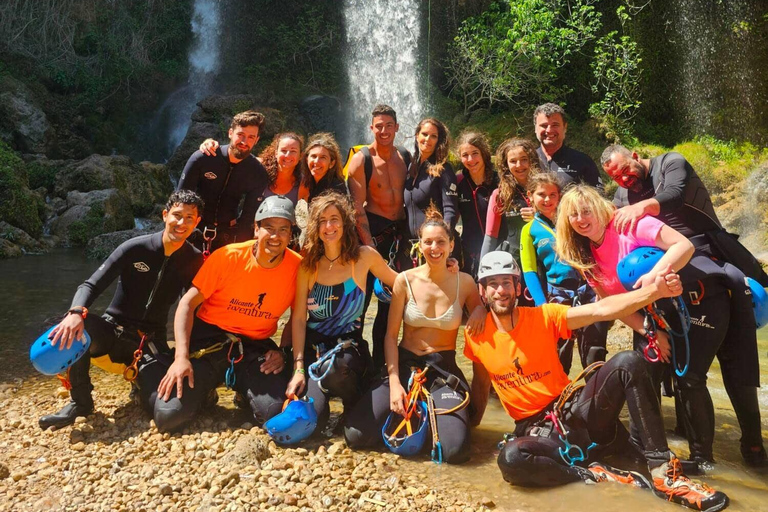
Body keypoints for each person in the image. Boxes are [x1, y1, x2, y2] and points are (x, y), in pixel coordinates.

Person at [466, 251, 729, 512]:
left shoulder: (543, 317)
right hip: (538, 432)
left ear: (517, 287)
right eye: (493, 284)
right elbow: (480, 384)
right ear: (483, 291)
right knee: (511, 459)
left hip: (574, 410)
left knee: (628, 362)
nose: (501, 290)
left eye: (506, 283)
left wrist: (655, 292)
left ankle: (663, 472)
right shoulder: (476, 336)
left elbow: (601, 309)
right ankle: (594, 475)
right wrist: (472, 429)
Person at [556, 184, 762, 467]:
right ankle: (649, 454)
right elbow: (612, 304)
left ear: (599, 207)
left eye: (586, 210)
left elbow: (683, 245)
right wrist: (650, 332)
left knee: (689, 379)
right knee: (642, 376)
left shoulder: (629, 223)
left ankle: (703, 460)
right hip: (653, 311)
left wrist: (654, 275)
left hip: (699, 298)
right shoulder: (584, 255)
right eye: (573, 215)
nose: (581, 219)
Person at [601, 144, 767, 466]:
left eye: (625, 169)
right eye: (616, 177)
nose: (623, 178)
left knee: (734, 364)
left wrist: (642, 207)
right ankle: (672, 439)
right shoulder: (622, 197)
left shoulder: (671, 163)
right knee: (672, 367)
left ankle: (753, 445)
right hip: (662, 271)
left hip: (708, 256)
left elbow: (675, 194)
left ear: (635, 155)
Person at [39, 191, 205, 429]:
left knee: (166, 411)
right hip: (111, 334)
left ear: (197, 222)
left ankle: (141, 387)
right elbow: (91, 284)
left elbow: (193, 310)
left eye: (190, 218)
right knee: (65, 328)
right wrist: (76, 313)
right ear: (165, 215)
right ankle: (80, 403)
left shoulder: (194, 260)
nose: (182, 223)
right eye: (177, 215)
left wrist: (188, 355)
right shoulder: (135, 248)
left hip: (149, 345)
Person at [344, 209, 486, 464]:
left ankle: (428, 417)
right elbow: (390, 337)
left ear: (451, 244)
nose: (434, 247)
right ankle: (410, 413)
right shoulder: (404, 281)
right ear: (419, 245)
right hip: (406, 363)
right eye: (428, 242)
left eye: (441, 241)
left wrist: (479, 311)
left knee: (455, 452)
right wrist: (395, 382)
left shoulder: (464, 283)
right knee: (355, 436)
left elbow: (480, 307)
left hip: (443, 371)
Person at [154, 195, 301, 433]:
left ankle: (245, 394)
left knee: (274, 415)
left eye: (283, 229)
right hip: (209, 342)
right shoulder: (227, 257)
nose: (275, 236)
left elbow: (297, 318)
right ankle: (206, 393)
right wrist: (181, 357)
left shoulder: (298, 268)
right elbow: (187, 305)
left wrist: (283, 352)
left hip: (254, 347)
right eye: (269, 228)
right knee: (168, 417)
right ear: (256, 228)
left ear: (290, 234)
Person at [287, 192, 397, 431]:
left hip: (349, 353)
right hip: (315, 353)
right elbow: (297, 320)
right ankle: (324, 402)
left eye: (335, 218)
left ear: (345, 222)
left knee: (338, 369)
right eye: (323, 220)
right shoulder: (308, 266)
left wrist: (441, 270)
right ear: (315, 227)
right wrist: (298, 368)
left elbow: (401, 283)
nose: (329, 226)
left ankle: (352, 401)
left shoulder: (364, 257)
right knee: (312, 423)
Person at [519, 173, 608, 373]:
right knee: (559, 358)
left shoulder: (573, 220)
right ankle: (560, 402)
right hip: (557, 297)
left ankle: (596, 398)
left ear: (560, 196)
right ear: (530, 196)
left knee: (594, 352)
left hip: (589, 292)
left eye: (553, 194)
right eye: (541, 195)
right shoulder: (529, 230)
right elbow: (530, 272)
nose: (548, 200)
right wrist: (543, 307)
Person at [347, 105, 410, 371]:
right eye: (378, 126)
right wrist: (370, 246)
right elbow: (356, 208)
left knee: (391, 303)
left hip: (400, 235)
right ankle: (354, 362)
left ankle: (383, 365)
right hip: (371, 234)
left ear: (397, 127)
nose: (384, 131)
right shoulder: (362, 159)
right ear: (371, 128)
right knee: (360, 304)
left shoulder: (406, 156)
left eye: (389, 125)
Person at [178, 110, 270, 253]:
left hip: (228, 236)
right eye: (240, 135)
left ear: (257, 140)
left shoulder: (257, 173)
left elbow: (248, 217)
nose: (244, 142)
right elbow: (180, 199)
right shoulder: (203, 158)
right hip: (193, 230)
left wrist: (240, 250)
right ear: (230, 133)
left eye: (251, 137)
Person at [481, 138, 537, 306]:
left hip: (543, 261)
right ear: (506, 165)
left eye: (524, 159)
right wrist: (481, 276)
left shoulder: (545, 190)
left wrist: (542, 215)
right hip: (512, 265)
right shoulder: (499, 195)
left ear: (532, 160)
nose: (519, 165)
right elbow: (490, 236)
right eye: (513, 161)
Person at [402, 118, 459, 269]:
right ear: (417, 136)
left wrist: (443, 246)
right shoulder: (410, 168)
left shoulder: (444, 169)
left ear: (439, 140)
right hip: (412, 249)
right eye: (424, 134)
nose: (428, 139)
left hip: (435, 251)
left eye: (433, 136)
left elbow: (450, 211)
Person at [200, 132, 306, 207]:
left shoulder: (303, 182)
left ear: (300, 155)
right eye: (283, 150)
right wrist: (209, 143)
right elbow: (234, 155)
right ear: (276, 153)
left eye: (293, 151)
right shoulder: (259, 167)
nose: (287, 155)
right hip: (251, 229)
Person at [455, 131, 499, 277]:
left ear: (484, 153)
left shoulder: (499, 180)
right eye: (465, 155)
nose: (471, 159)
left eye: (475, 153)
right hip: (469, 251)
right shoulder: (459, 181)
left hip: (499, 248)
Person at [533, 103, 603, 191]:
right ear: (535, 128)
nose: (549, 130)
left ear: (564, 127)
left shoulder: (582, 162)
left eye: (555, 125)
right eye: (544, 125)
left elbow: (598, 198)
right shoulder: (527, 160)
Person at [300, 132, 348, 203]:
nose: (316, 161)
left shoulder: (335, 189)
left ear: (332, 163)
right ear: (307, 159)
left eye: (323, 157)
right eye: (313, 156)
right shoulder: (309, 182)